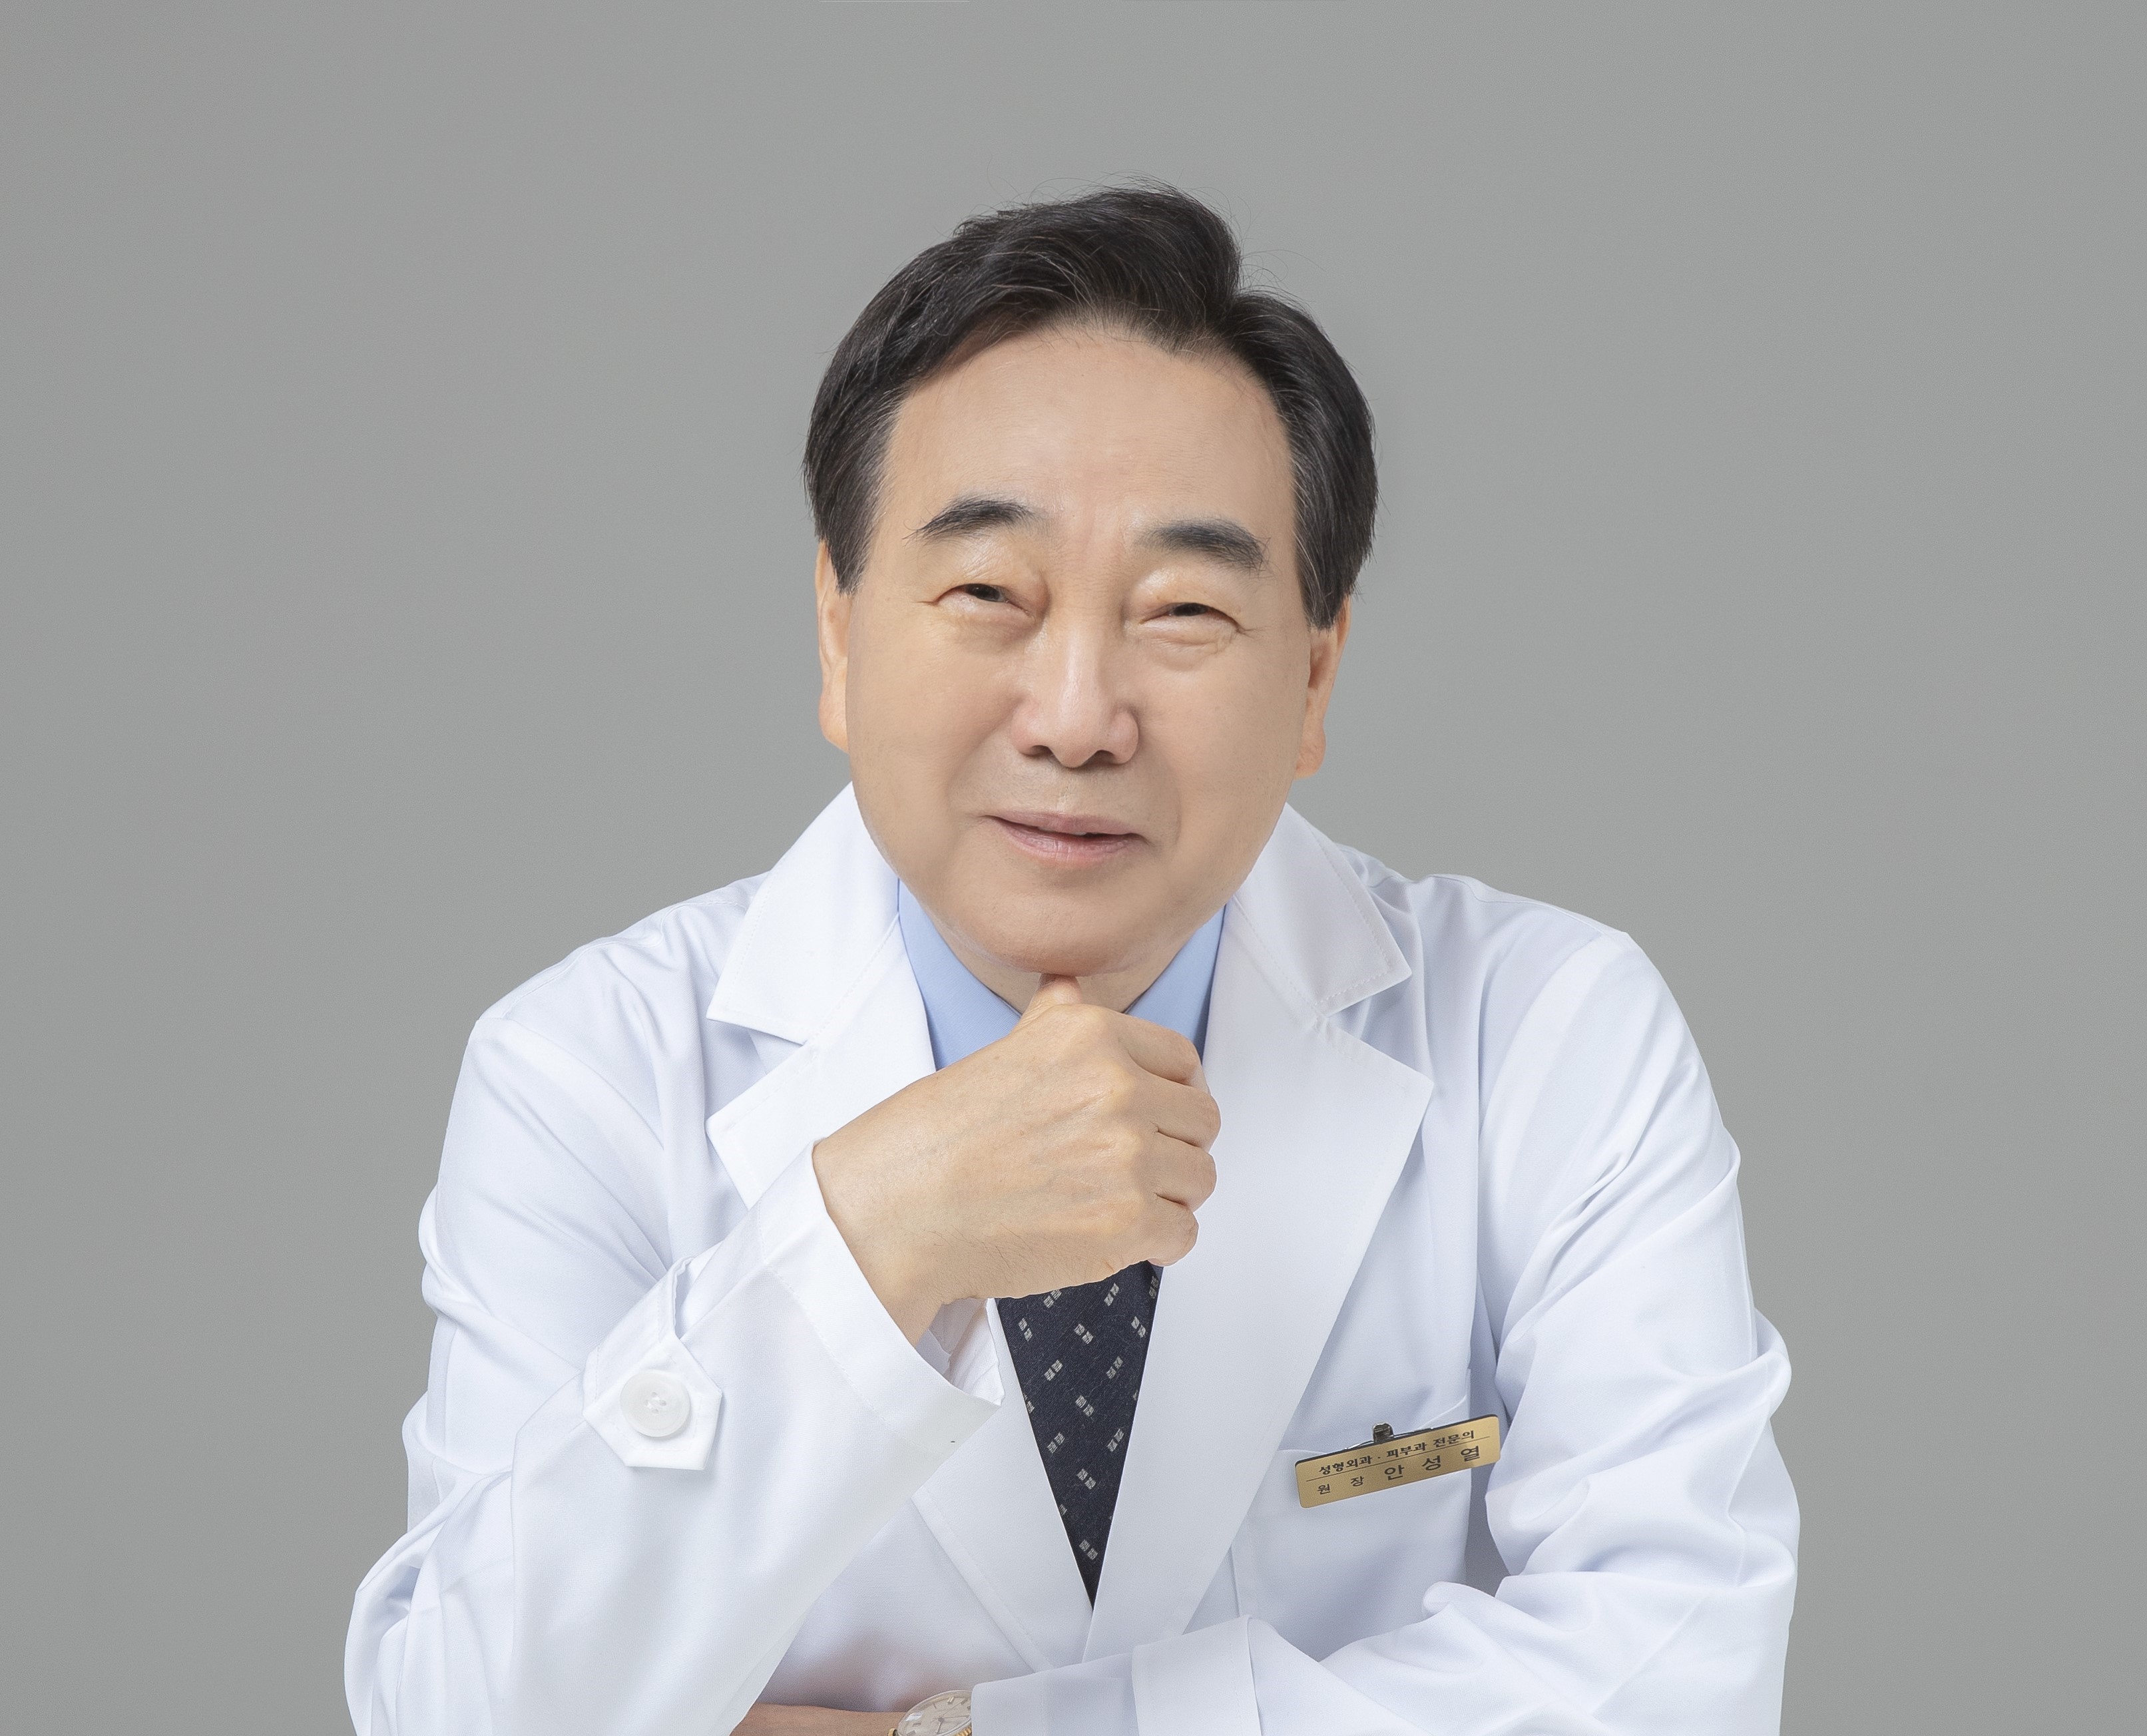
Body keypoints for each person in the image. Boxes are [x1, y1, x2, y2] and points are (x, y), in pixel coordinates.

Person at [346, 184, 1797, 1736]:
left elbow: (1681, 1671)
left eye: (1183, 611)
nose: (1074, 715)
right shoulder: (589, 1071)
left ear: (1313, 678)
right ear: (838, 632)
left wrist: (979, 1734)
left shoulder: (1545, 1034)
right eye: (989, 592)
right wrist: (868, 1239)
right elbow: (465, 1708)